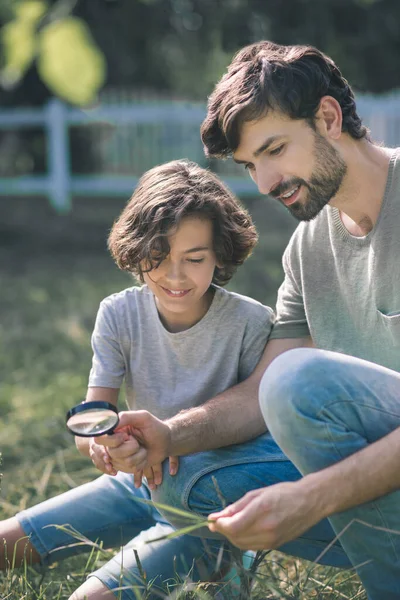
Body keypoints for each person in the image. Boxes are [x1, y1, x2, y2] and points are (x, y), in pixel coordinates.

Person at [99, 42, 400, 599]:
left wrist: (314, 497)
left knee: (301, 381)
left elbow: (291, 386)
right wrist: (169, 434)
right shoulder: (308, 248)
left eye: (275, 149)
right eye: (249, 166)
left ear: (329, 118)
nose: (264, 183)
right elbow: (261, 389)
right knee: (183, 476)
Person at [0, 159, 275, 600]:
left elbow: (259, 429)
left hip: (206, 509)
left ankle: (218, 572)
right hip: (133, 485)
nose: (175, 275)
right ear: (136, 248)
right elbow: (94, 417)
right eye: (159, 257)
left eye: (194, 258)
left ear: (220, 253)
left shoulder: (253, 323)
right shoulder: (119, 313)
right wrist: (106, 446)